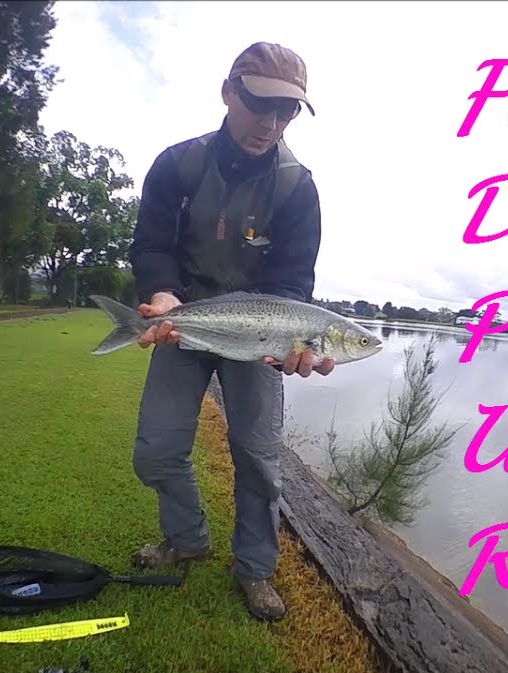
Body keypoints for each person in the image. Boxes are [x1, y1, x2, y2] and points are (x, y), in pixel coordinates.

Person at [125, 42, 327, 621]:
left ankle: (255, 569)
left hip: (259, 345)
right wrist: (161, 292)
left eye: (287, 112)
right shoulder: (177, 165)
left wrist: (294, 345)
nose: (271, 122)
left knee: (260, 460)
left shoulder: (298, 188)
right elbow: (151, 243)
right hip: (184, 327)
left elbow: (293, 284)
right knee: (157, 451)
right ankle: (187, 537)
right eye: (260, 104)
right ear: (229, 91)